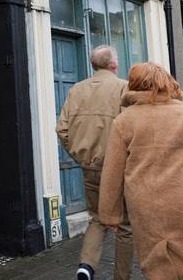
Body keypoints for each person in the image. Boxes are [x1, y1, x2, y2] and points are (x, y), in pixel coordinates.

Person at [99, 62, 183, 279]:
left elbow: (112, 172)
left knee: (157, 264)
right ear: (166, 83)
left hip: (147, 207)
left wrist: (110, 213)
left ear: (133, 86)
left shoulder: (123, 121)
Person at [56, 45, 133, 280]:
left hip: (89, 168)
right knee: (125, 226)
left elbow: (62, 129)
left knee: (98, 219)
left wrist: (81, 156)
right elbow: (131, 129)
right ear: (113, 64)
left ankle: (86, 267)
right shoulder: (123, 87)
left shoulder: (76, 90)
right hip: (117, 169)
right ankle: (121, 277)